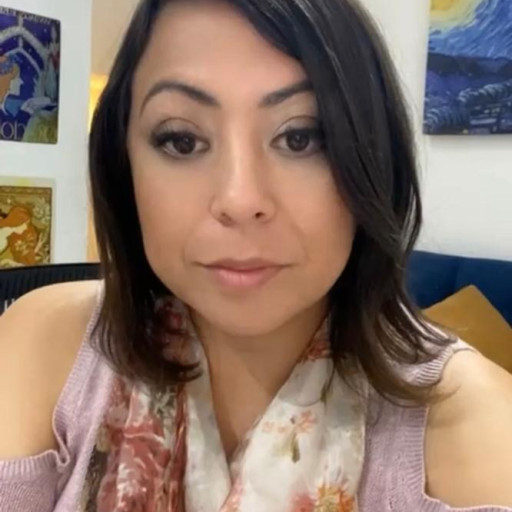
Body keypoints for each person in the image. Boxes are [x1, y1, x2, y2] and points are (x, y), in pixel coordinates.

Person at [1, 0, 511, 510]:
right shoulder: (48, 342)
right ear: (122, 163)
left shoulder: (479, 433)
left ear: (374, 161)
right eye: (182, 140)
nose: (240, 200)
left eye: (301, 137)